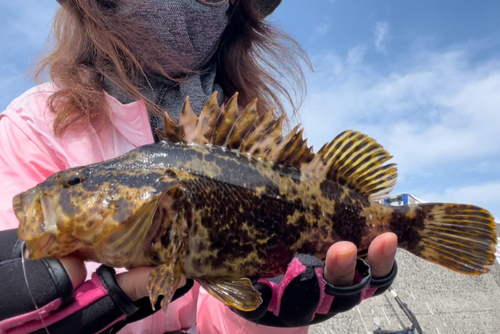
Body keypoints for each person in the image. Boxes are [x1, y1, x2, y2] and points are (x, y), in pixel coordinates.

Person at [0, 0, 399, 333]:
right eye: (74, 182)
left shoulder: (251, 131)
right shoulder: (34, 125)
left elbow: (221, 311)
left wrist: (266, 319)